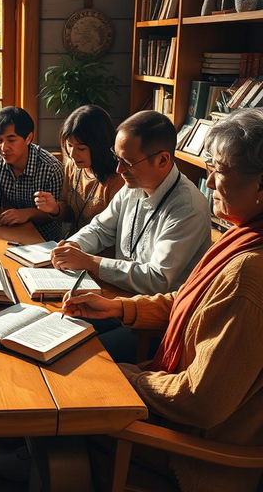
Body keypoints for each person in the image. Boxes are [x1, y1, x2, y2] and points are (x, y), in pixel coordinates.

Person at [63, 107, 263, 492]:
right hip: (183, 411)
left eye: (219, 169)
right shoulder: (243, 240)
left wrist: (128, 377)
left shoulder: (249, 271)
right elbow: (193, 302)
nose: (208, 178)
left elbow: (201, 401)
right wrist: (122, 308)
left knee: (72, 399)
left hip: (194, 454)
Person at [50, 110, 211, 362]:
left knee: (80, 355)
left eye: (128, 161)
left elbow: (158, 279)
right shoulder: (132, 185)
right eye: (117, 158)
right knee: (56, 327)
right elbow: (101, 228)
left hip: (154, 324)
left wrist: (91, 262)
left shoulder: (187, 207)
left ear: (162, 160)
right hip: (117, 301)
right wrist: (73, 245)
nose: (118, 168)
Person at [34, 105, 123, 236]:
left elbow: (113, 232)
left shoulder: (118, 179)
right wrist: (54, 208)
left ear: (99, 146)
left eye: (81, 148)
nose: (73, 154)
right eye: (69, 145)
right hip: (73, 244)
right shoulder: (73, 166)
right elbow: (69, 212)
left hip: (99, 252)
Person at [0, 106, 64, 241]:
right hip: (5, 232)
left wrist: (28, 213)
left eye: (11, 140)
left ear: (28, 138)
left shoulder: (50, 168)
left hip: (44, 239)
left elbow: (56, 213)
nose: (4, 148)